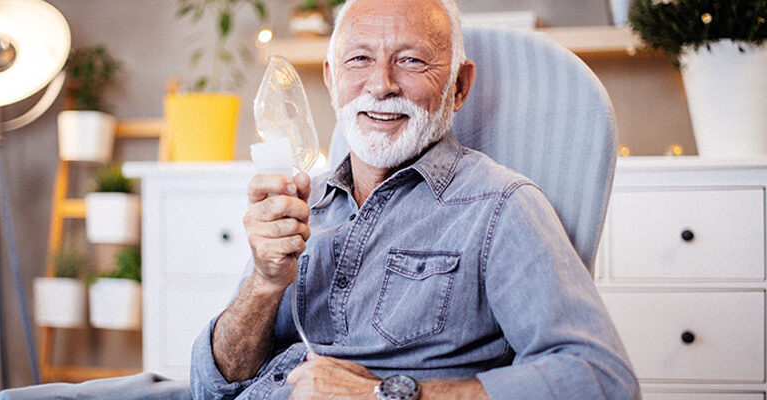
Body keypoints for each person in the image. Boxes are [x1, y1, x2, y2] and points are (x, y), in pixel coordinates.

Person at [190, 0, 640, 399]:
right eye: (359, 59)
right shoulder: (302, 203)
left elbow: (599, 380)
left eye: (411, 61)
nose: (381, 84)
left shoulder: (500, 206)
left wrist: (385, 395)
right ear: (332, 79)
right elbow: (214, 385)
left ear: (459, 87)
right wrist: (264, 284)